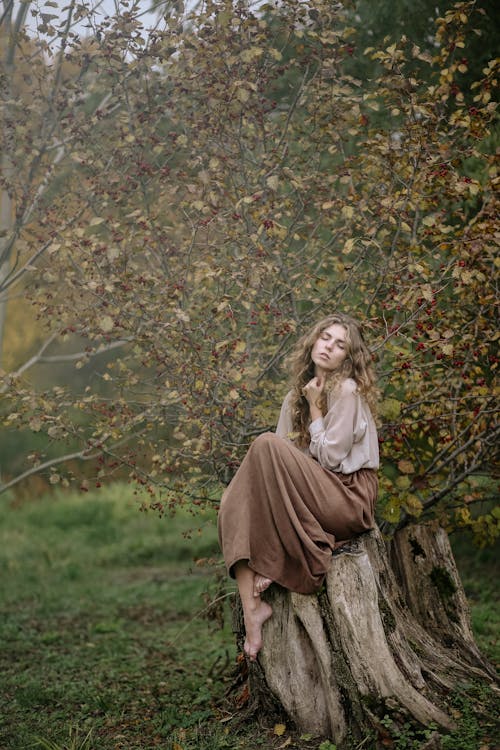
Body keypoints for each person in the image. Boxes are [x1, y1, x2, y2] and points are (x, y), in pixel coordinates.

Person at [217, 312, 379, 661]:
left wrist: (316, 410)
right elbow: (278, 466)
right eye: (325, 338)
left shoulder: (347, 391)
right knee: (235, 500)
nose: (329, 347)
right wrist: (305, 403)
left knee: (263, 445)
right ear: (313, 341)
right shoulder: (294, 398)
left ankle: (274, 561)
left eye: (340, 345)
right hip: (314, 493)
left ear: (347, 359)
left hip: (348, 497)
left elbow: (332, 461)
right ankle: (252, 613)